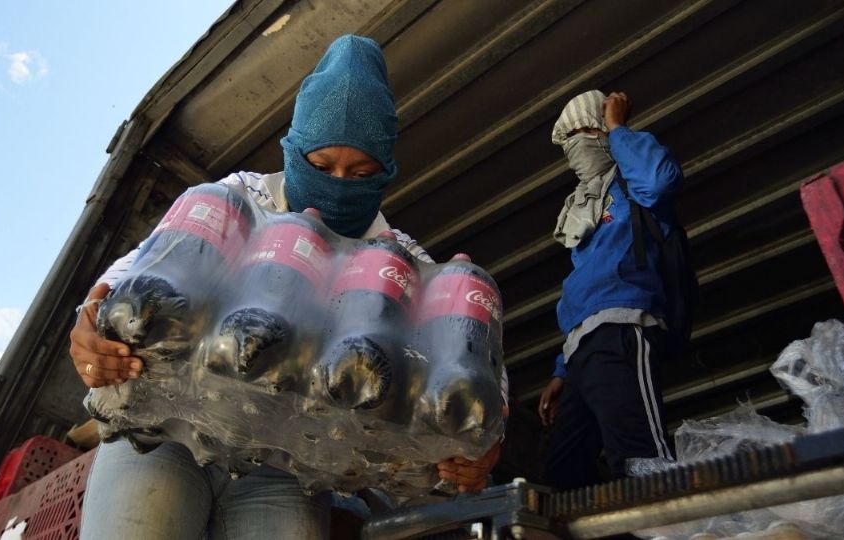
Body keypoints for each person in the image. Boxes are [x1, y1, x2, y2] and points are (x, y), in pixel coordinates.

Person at [69, 35, 505, 539]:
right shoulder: (236, 199)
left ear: (385, 173)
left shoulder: (401, 263)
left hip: (285, 464)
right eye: (321, 167)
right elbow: (132, 274)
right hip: (163, 429)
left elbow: (471, 365)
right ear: (293, 150)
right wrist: (91, 329)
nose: (339, 183)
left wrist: (479, 446)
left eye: (361, 173)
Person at [537, 90, 682, 491]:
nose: (575, 146)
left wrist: (619, 128)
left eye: (585, 131)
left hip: (622, 330)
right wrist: (561, 369)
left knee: (640, 463)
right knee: (564, 477)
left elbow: (660, 180)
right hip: (582, 349)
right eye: (569, 139)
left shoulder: (632, 188)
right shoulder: (583, 207)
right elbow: (586, 290)